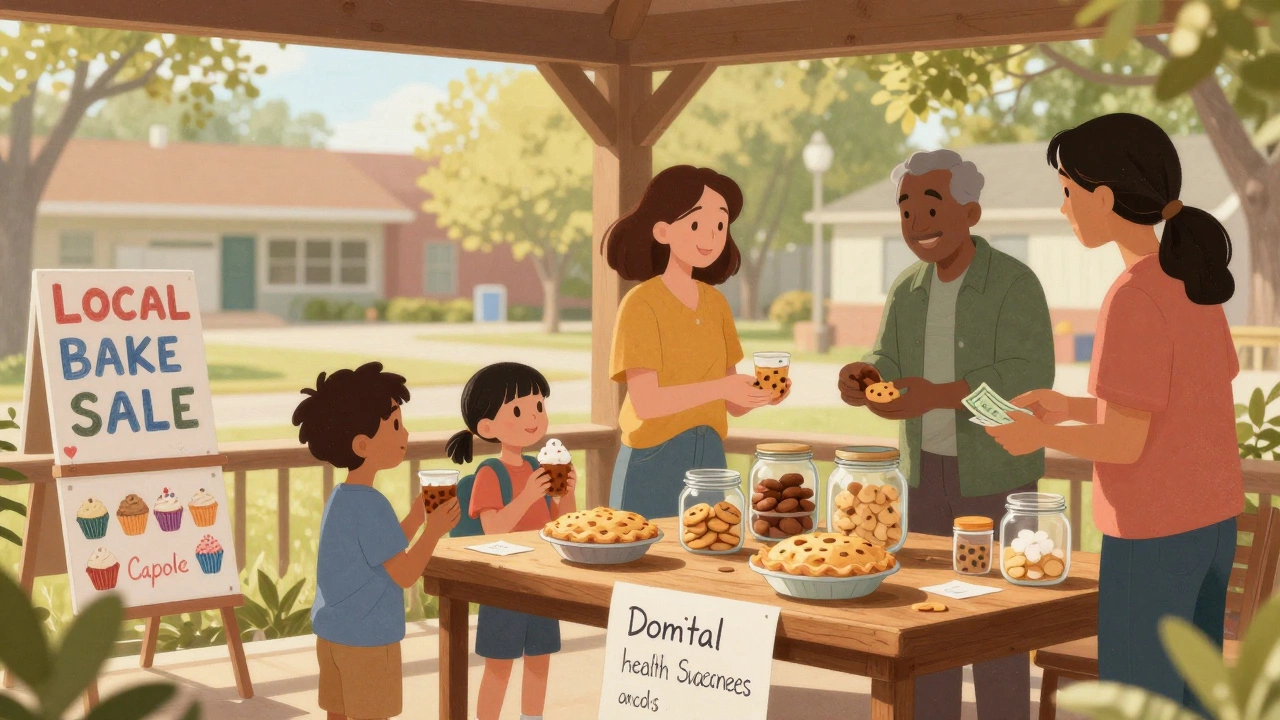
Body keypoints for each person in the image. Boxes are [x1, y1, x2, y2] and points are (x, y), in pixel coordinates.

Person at [986, 113, 1243, 714]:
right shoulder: (1195, 285)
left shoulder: (1133, 297)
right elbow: (1178, 404)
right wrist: (1072, 406)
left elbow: (1127, 444)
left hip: (1152, 534)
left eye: (1067, 194)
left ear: (1103, 198)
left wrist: (1040, 435)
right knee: (1198, 698)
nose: (1063, 209)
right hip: (1213, 527)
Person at [836, 149, 1054, 720]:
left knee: (996, 629)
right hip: (923, 480)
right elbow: (887, 357)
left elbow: (1024, 380)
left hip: (998, 481)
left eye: (930, 206)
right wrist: (866, 377)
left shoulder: (1014, 283)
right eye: (905, 209)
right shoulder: (907, 288)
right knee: (926, 623)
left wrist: (937, 394)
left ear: (971, 212)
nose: (916, 222)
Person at [604, 165, 786, 519]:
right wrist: (722, 387)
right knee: (646, 560)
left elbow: (731, 403)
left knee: (709, 550)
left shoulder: (716, 304)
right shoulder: (641, 304)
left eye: (720, 225)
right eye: (697, 224)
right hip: (653, 455)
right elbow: (647, 403)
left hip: (710, 456)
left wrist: (760, 393)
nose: (712, 235)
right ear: (663, 231)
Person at [294, 362, 461, 720]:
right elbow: (402, 573)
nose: (406, 433)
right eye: (396, 425)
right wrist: (432, 531)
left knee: (338, 713)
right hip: (367, 640)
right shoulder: (372, 505)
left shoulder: (342, 497)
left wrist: (417, 517)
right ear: (363, 444)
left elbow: (376, 553)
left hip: (333, 635)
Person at [446, 362, 576, 720]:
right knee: (500, 663)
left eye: (539, 406)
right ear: (487, 427)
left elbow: (561, 525)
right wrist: (529, 496)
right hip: (504, 582)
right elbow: (495, 529)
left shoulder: (541, 465)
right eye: (518, 410)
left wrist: (566, 495)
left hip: (540, 579)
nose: (533, 417)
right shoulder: (491, 472)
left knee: (539, 659)